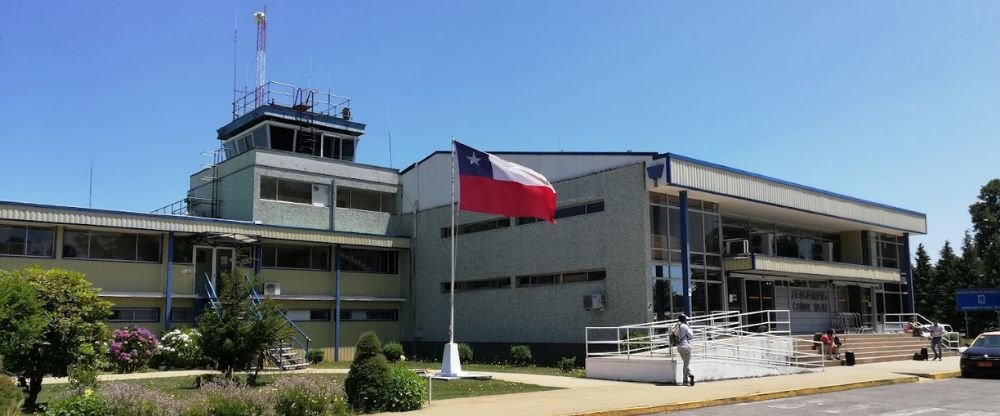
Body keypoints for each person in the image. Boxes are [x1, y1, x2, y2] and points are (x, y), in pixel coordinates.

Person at [673, 314, 695, 386]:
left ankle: (685, 380)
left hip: (679, 347)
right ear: (684, 320)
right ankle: (689, 375)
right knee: (686, 363)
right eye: (686, 319)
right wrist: (688, 327)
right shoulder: (685, 326)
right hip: (686, 346)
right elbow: (691, 335)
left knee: (685, 363)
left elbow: (674, 334)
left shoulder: (676, 326)